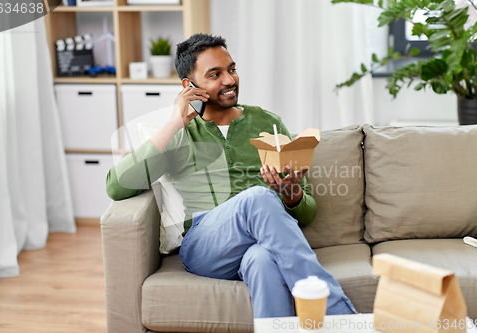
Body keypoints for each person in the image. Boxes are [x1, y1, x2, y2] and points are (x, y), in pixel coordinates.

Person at [106, 33, 355, 318]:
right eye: (215, 74)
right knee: (259, 196)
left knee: (262, 261)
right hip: (205, 245)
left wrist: (291, 193)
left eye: (232, 69)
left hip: (261, 241)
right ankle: (339, 316)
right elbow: (116, 186)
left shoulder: (267, 122)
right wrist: (175, 121)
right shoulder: (179, 134)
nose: (229, 80)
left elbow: (307, 214)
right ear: (190, 86)